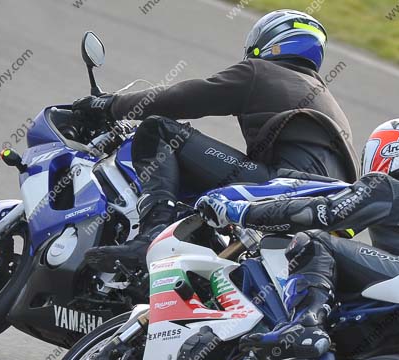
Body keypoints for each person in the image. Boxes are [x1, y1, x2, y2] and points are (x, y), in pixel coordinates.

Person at [73, 9, 358, 273]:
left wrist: (109, 105)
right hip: (323, 215)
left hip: (278, 188)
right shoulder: (326, 100)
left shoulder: (261, 72)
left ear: (267, 42)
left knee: (158, 130)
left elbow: (183, 98)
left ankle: (151, 237)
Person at [196, 118, 399, 359]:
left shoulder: (388, 186)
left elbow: (321, 213)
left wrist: (240, 212)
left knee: (315, 242)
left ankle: (305, 325)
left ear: (386, 151)